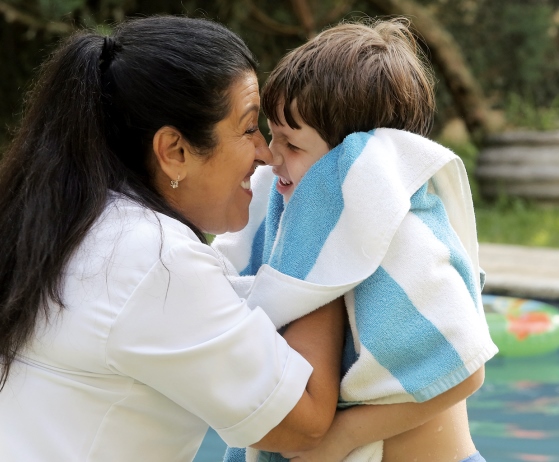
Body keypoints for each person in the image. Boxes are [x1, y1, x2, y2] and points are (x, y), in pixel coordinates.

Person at [0, 16, 348, 461]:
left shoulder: (63, 225)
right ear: (175, 152)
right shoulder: (153, 260)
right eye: (247, 128)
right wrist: (328, 218)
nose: (264, 152)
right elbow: (302, 422)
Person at [214, 18, 498, 462]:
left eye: (292, 143)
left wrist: (344, 436)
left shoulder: (399, 230)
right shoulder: (305, 228)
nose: (271, 156)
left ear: (357, 160)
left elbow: (466, 368)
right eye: (273, 135)